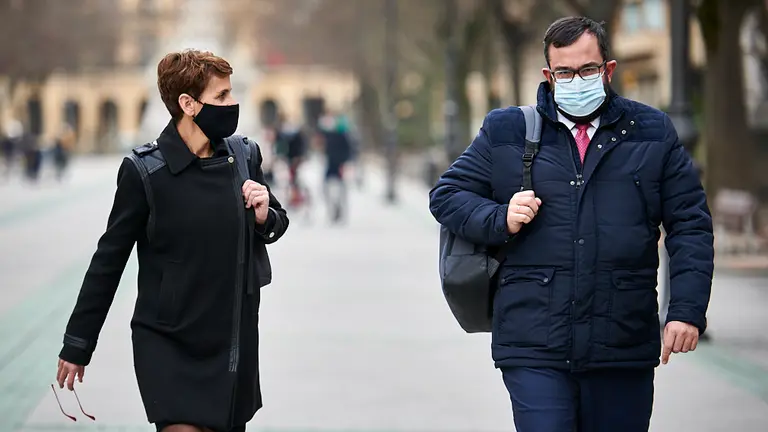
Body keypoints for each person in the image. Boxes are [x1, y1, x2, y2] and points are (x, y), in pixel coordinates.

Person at [429, 17, 713, 432]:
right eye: (564, 72)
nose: (576, 80)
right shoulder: (507, 130)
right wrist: (499, 218)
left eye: (587, 69)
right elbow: (447, 195)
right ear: (549, 74)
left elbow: (690, 224)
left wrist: (686, 310)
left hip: (622, 341)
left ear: (608, 69)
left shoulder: (652, 131)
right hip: (533, 342)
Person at [55, 49, 289, 432]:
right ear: (188, 104)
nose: (233, 104)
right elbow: (108, 260)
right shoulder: (145, 171)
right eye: (222, 96)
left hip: (231, 341)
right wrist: (78, 343)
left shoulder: (245, 156)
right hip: (168, 341)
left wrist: (265, 214)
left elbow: (277, 223)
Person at [318, 113, 352, 224]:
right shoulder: (329, 135)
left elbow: (348, 151)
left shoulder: (342, 135)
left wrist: (344, 164)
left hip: (339, 166)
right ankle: (333, 209)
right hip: (330, 166)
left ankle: (340, 210)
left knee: (341, 191)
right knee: (326, 189)